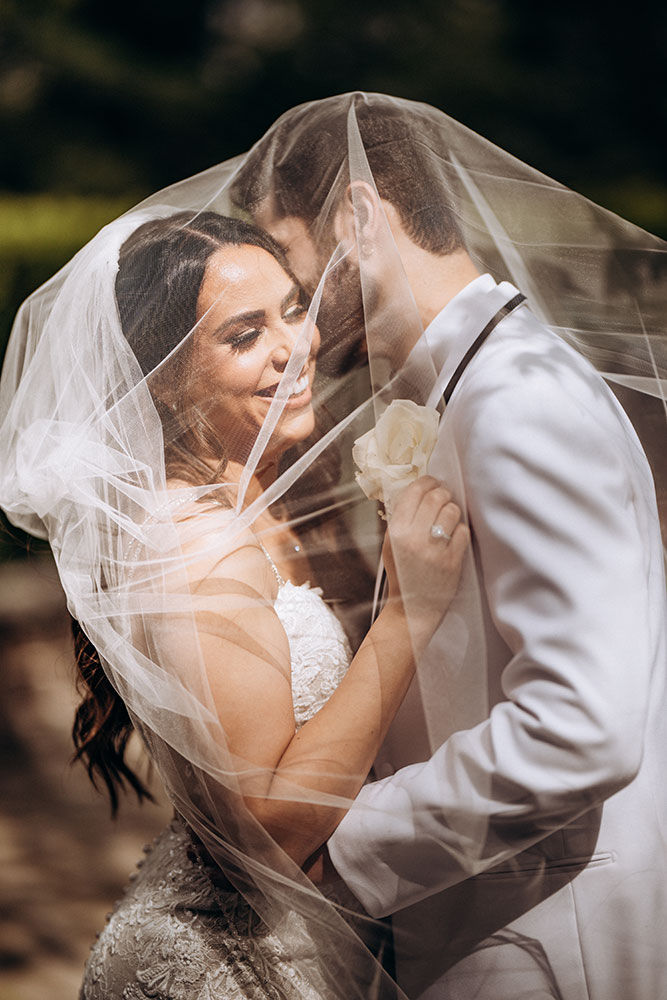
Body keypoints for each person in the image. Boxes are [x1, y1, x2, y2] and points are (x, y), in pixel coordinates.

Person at [231, 93, 667, 998]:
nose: (295, 317)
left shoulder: (516, 402)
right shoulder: (466, 387)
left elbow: (582, 726)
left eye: (289, 255)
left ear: (356, 216)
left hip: (550, 939)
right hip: (489, 912)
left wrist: (348, 847)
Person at [0, 208, 468, 1000]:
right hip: (227, 967)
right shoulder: (195, 548)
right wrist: (408, 617)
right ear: (164, 376)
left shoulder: (256, 493)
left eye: (293, 309)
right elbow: (272, 831)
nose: (296, 347)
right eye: (244, 335)